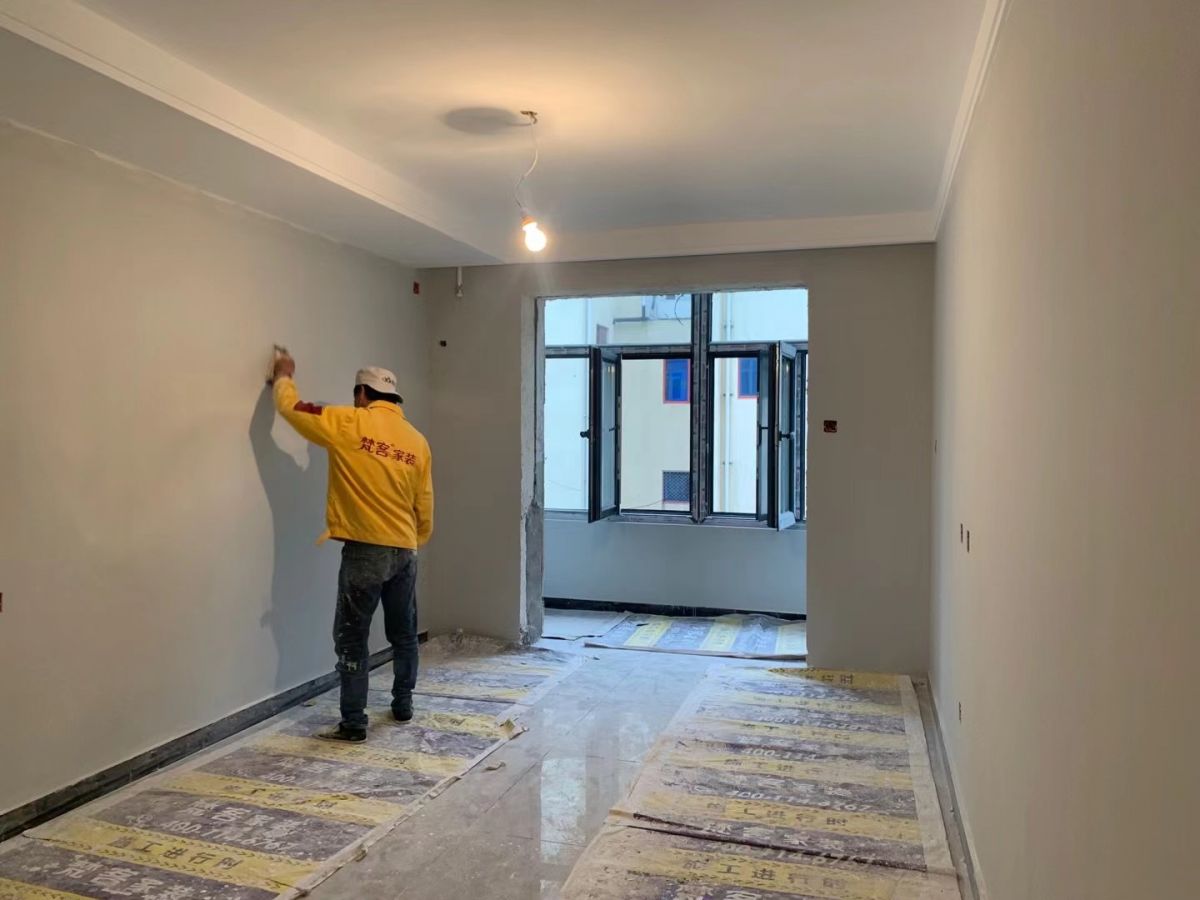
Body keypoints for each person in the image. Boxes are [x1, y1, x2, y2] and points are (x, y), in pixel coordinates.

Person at [269, 351, 433, 742]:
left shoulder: (348, 421)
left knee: (352, 637)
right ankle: (403, 704)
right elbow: (424, 504)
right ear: (393, 399)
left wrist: (283, 377)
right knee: (404, 633)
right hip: (405, 550)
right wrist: (413, 541)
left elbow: (293, 409)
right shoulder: (417, 441)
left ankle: (354, 722)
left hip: (364, 550)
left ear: (361, 393)